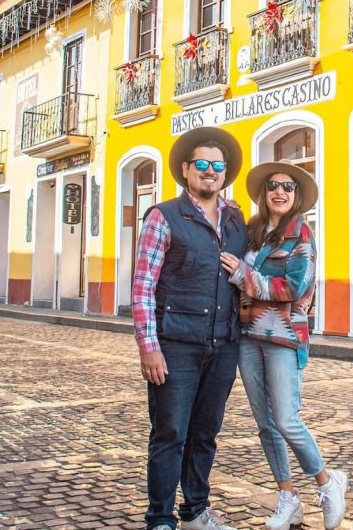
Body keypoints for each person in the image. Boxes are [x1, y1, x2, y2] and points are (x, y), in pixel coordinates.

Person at [219, 160, 348, 530]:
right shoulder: (253, 232)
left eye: (288, 187)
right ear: (264, 192)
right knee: (265, 424)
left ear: (296, 196)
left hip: (283, 337)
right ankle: (288, 497)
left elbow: (294, 288)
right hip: (248, 336)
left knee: (287, 420)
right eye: (273, 185)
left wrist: (246, 276)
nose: (279, 192)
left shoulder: (301, 235)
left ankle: (327, 481)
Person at [132, 126, 247, 530]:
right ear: (186, 169)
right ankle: (160, 519)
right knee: (170, 433)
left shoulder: (235, 220)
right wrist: (149, 347)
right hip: (176, 344)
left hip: (223, 343)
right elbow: (143, 285)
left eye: (218, 166)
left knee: (205, 434)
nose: (211, 171)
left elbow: (249, 270)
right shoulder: (163, 217)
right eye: (202, 164)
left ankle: (196, 510)